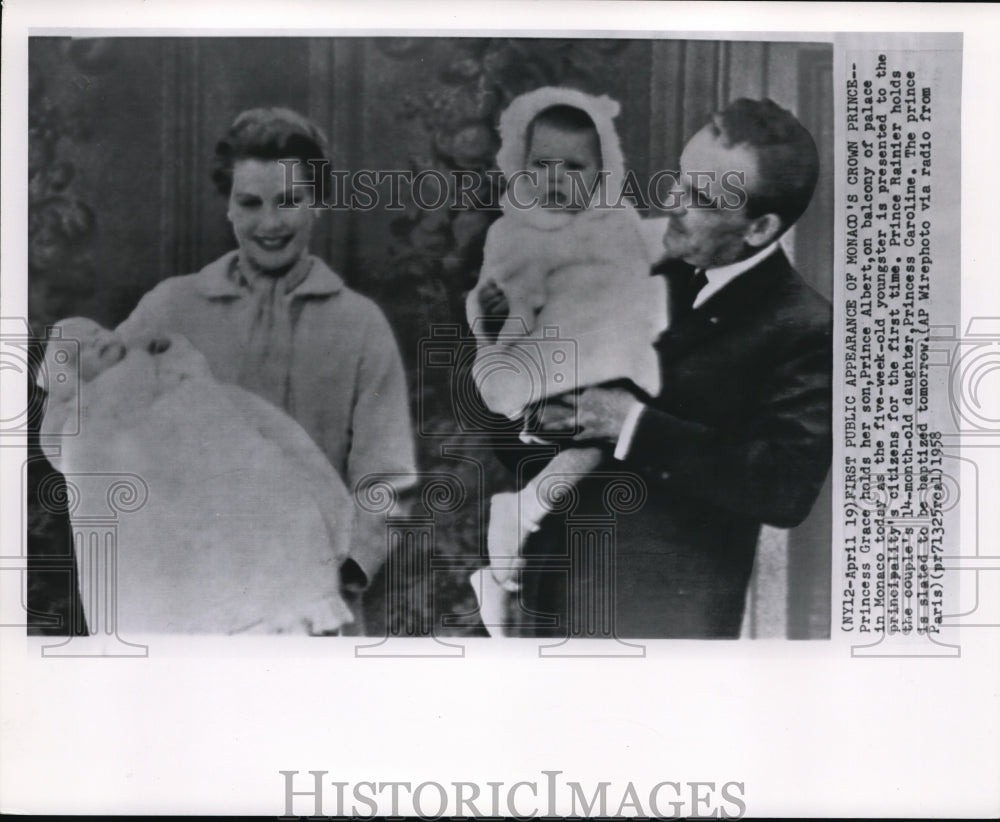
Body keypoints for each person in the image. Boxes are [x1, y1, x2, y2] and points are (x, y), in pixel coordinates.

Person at [500, 97, 833, 638]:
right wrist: (538, 417)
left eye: (700, 196)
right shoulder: (631, 269)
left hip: (659, 625)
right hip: (545, 597)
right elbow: (517, 430)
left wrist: (630, 424)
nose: (672, 200)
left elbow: (784, 487)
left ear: (759, 227)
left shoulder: (804, 326)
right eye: (680, 178)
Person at [116, 107, 417, 634]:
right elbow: (100, 412)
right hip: (192, 596)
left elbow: (386, 479)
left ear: (317, 203)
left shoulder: (359, 324)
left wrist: (341, 574)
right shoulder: (170, 309)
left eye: (289, 202)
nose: (270, 223)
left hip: (317, 602)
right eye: (249, 203)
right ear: (228, 208)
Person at [464, 88, 666, 614]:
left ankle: (517, 560)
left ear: (604, 171)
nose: (555, 179)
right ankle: (521, 520)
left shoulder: (618, 221)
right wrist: (493, 319)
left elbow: (651, 257)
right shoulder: (515, 234)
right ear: (521, 166)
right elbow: (511, 311)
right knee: (586, 448)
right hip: (559, 366)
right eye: (542, 165)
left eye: (573, 166)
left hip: (613, 359)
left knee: (605, 450)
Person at [38, 317, 355, 635]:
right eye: (82, 352)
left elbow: (272, 428)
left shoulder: (177, 370)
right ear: (73, 376)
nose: (97, 341)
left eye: (97, 332)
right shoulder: (82, 421)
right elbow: (85, 467)